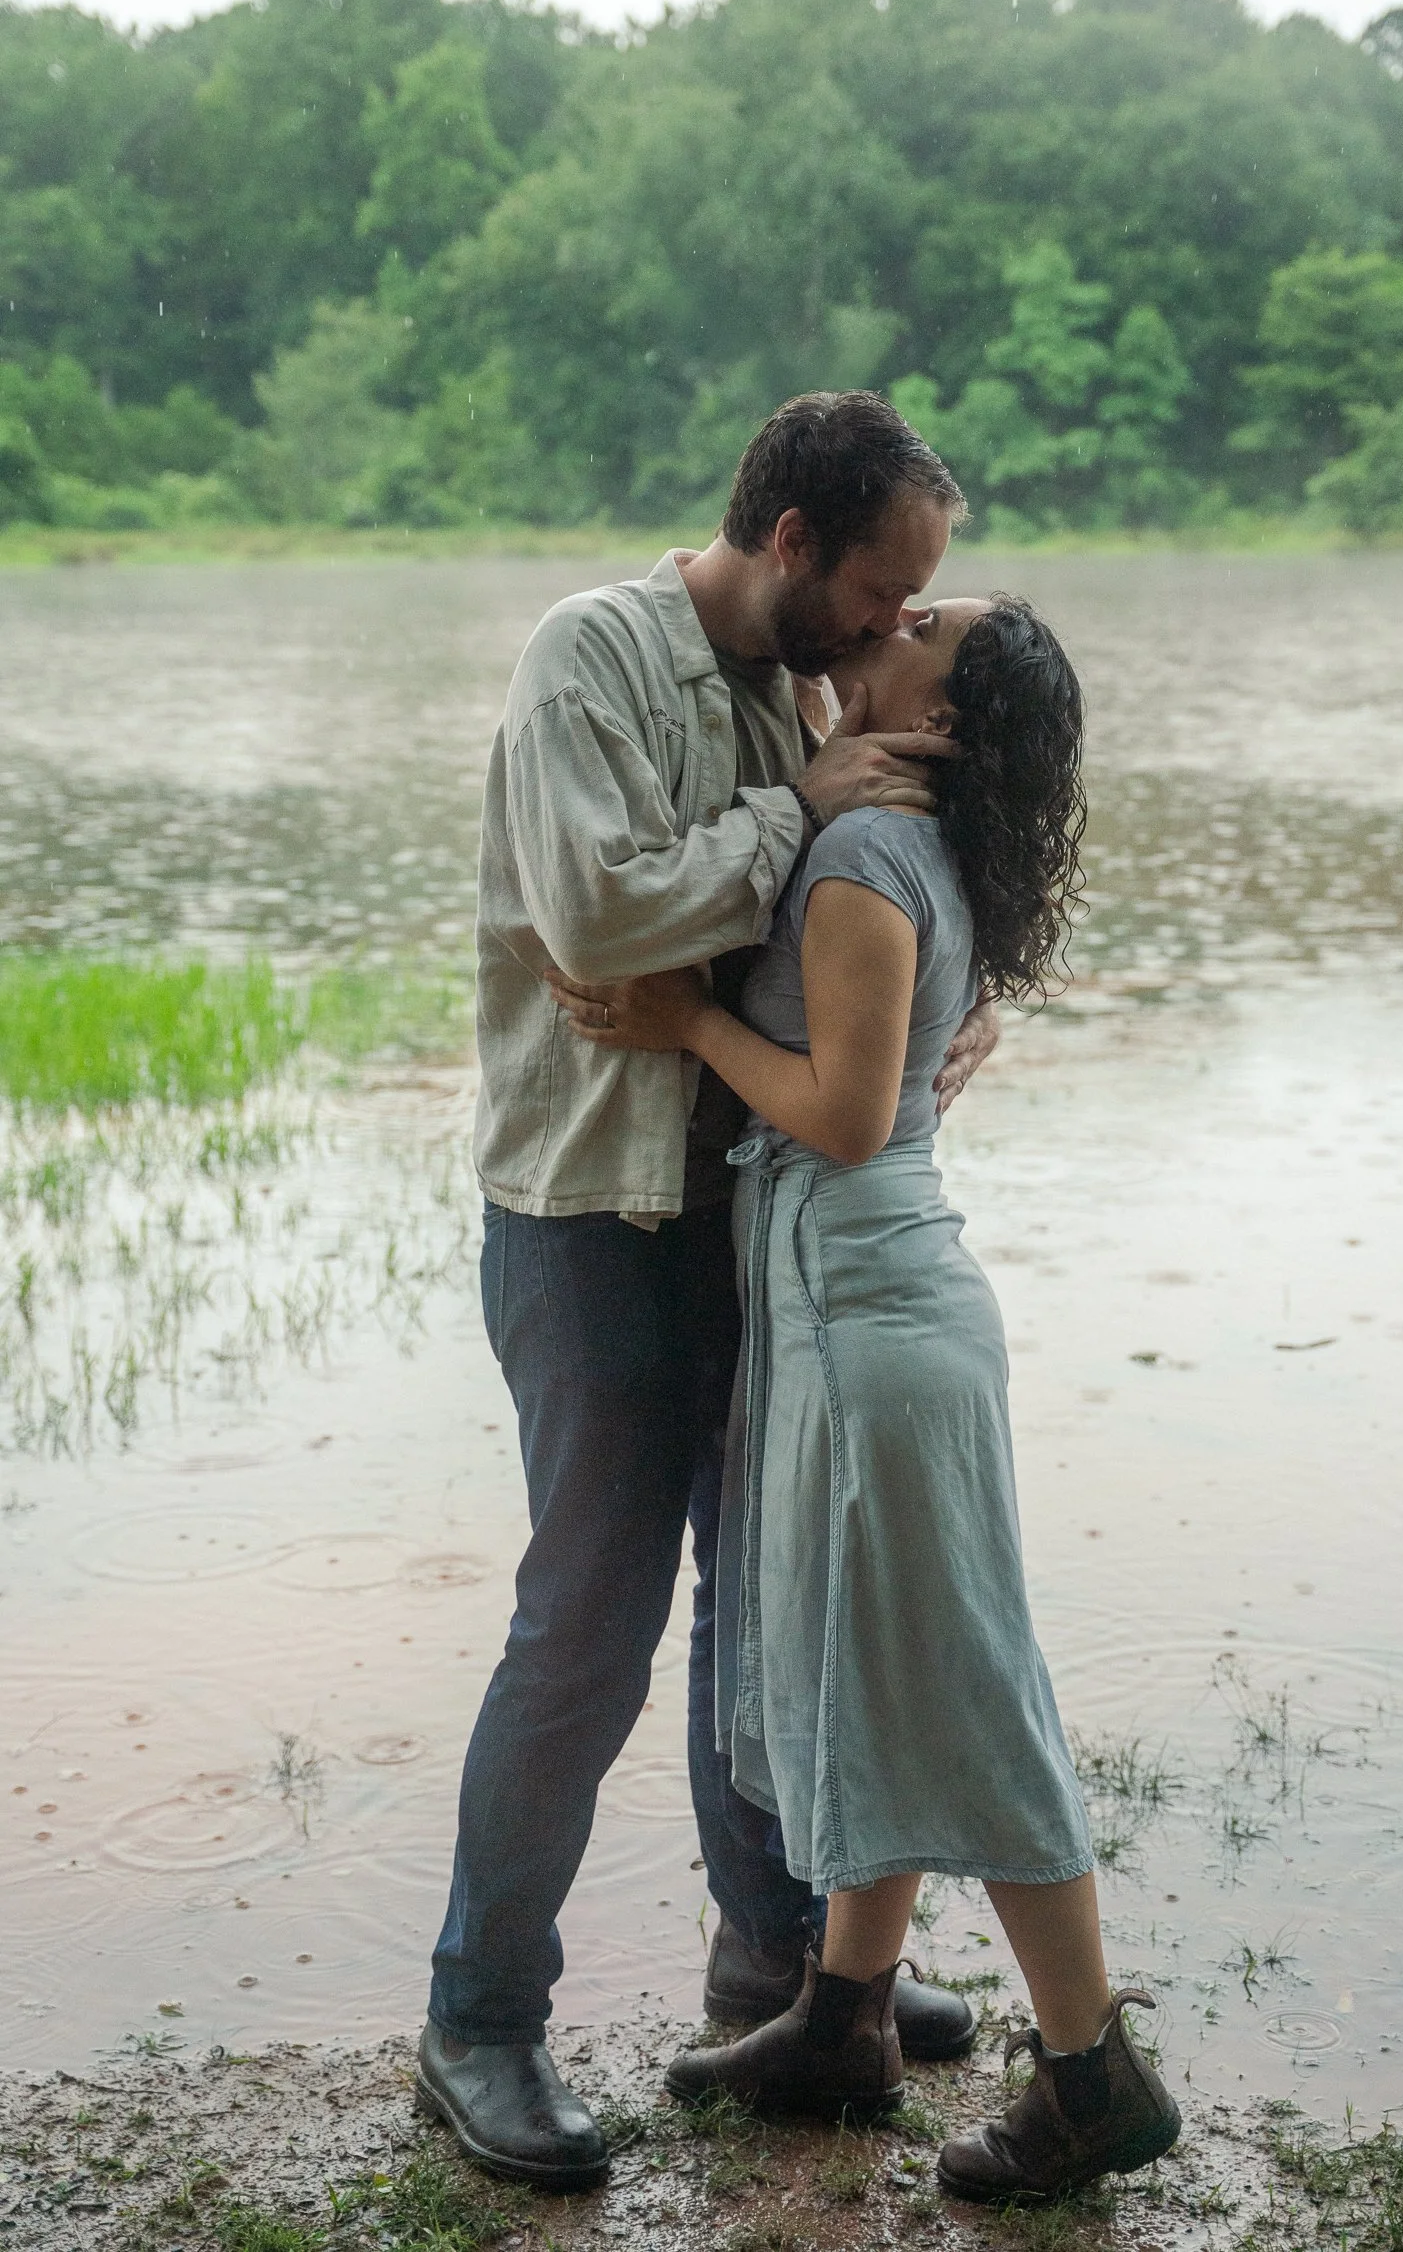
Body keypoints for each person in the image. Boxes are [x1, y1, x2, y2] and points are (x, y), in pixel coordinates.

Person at [417, 394, 996, 2191]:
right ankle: (481, 2022)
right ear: (797, 546)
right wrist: (795, 808)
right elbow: (598, 925)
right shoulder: (590, 654)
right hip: (593, 1216)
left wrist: (937, 1030)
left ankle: (784, 1980)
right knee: (587, 1624)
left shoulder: (796, 688)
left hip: (743, 1206)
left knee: (764, 1604)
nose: (901, 631)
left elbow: (817, 938)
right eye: (890, 593)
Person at [557, 594, 1183, 2205]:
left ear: (946, 715)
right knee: (885, 1650)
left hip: (868, 1309)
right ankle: (840, 2019)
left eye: (925, 622)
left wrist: (683, 1014)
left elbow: (840, 1115)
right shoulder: (900, 836)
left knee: (961, 1681)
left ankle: (1091, 2074)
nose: (888, 615)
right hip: (882, 1305)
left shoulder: (855, 862)